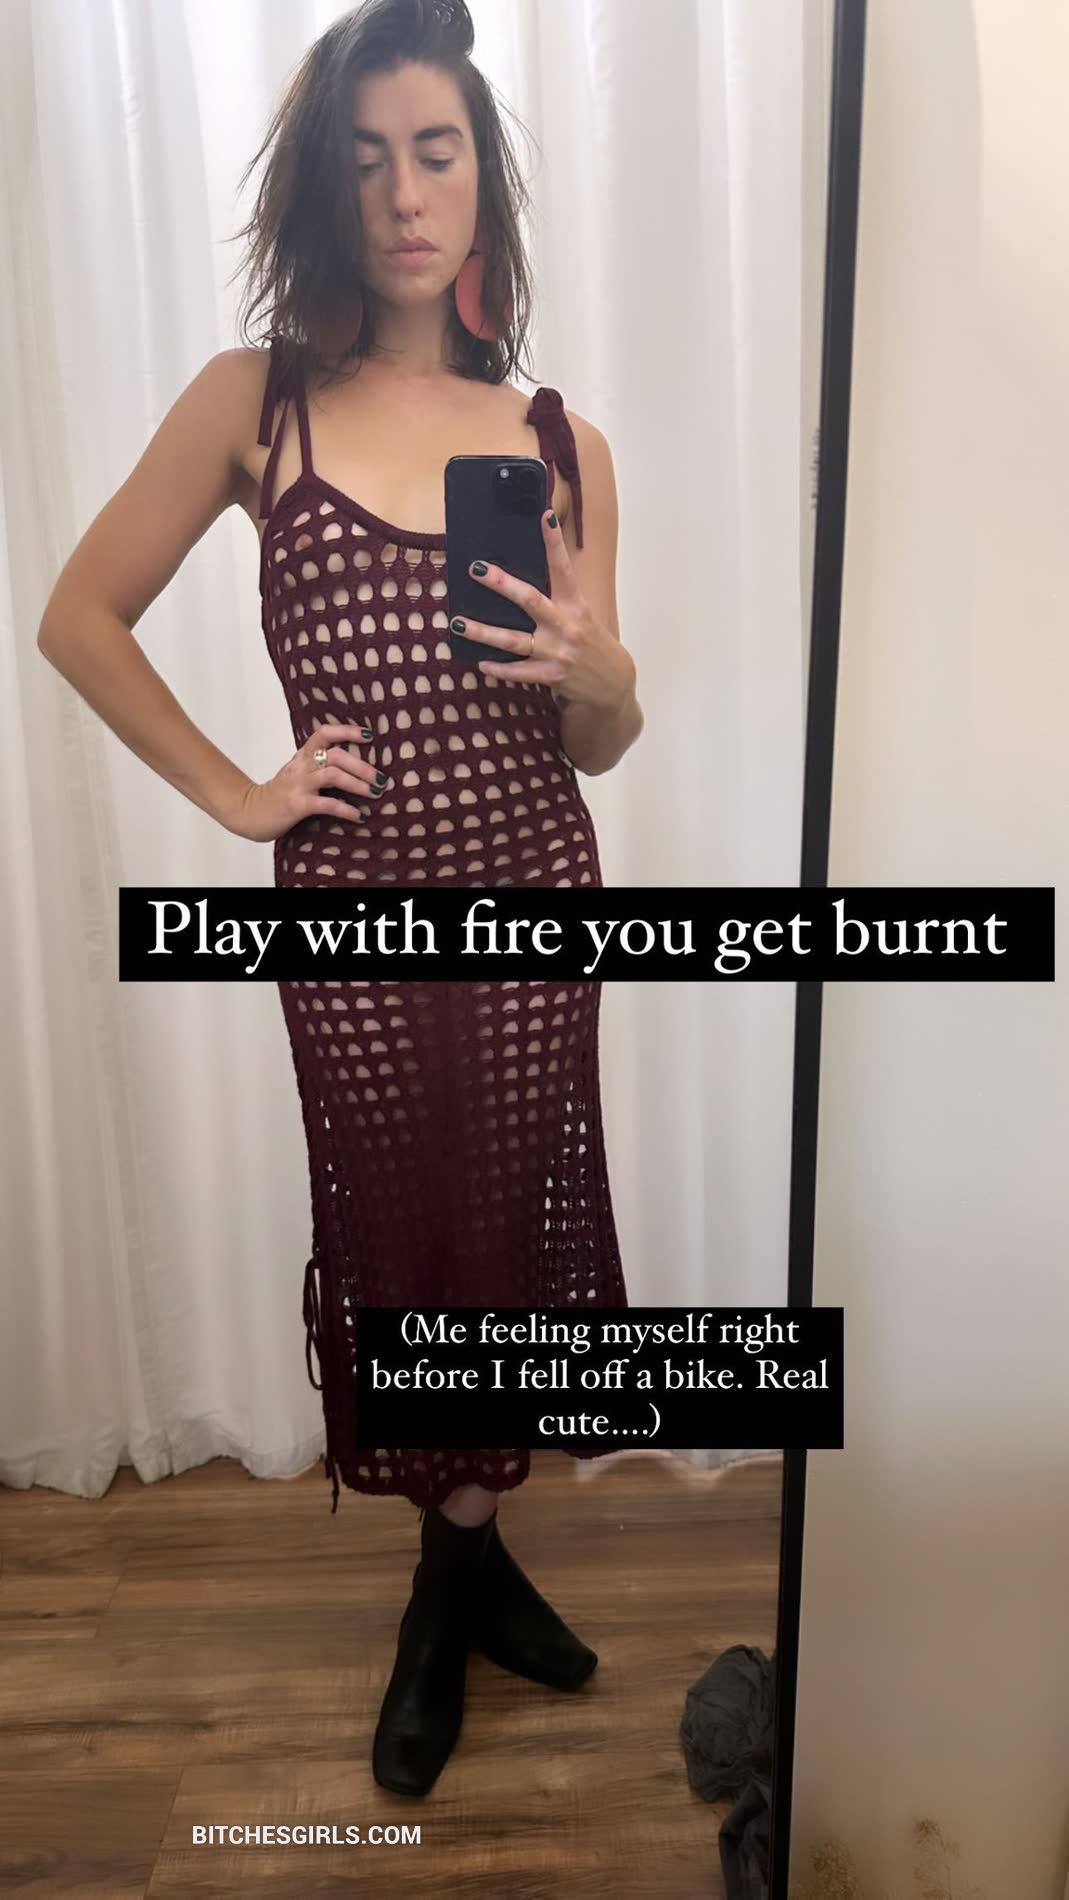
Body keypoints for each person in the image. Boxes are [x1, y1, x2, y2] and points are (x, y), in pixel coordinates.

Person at [36, 0, 643, 1798]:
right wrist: (240, 793)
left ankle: (456, 1581)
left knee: (503, 1232)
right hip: (358, 914)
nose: (404, 195)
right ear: (326, 186)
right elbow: (77, 616)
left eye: (435, 152)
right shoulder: (257, 403)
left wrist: (602, 671)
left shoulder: (556, 441)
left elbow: (601, 741)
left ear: (480, 180)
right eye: (366, 159)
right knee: (400, 1235)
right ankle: (458, 1585)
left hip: (531, 889)